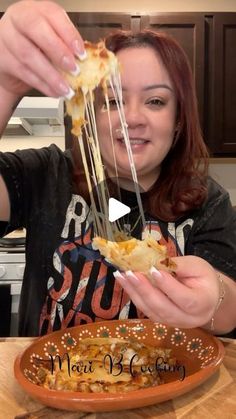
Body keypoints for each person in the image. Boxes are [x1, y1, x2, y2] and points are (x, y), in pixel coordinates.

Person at [0, 0, 235, 338]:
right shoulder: (47, 174)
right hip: (55, 383)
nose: (132, 119)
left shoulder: (208, 202)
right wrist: (4, 85)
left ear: (179, 120)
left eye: (155, 101)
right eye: (113, 101)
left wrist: (215, 298)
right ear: (92, 115)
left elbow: (230, 308)